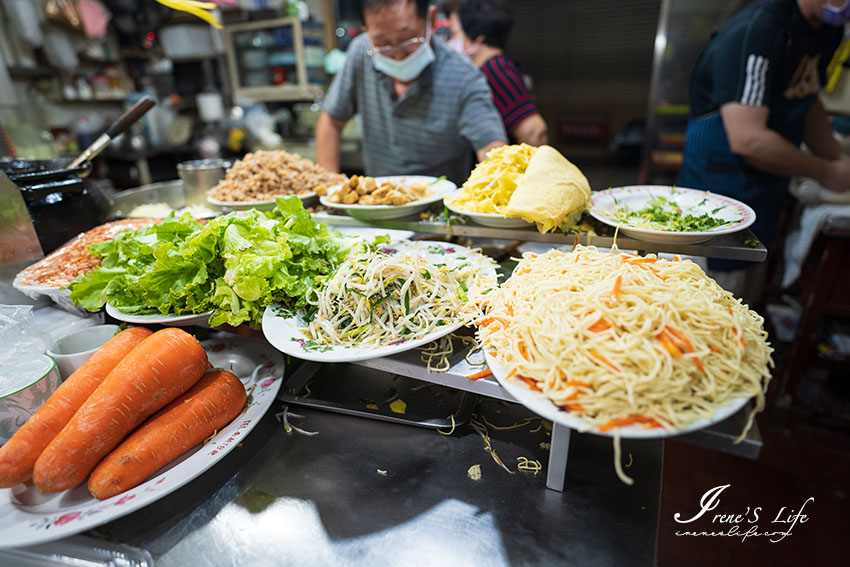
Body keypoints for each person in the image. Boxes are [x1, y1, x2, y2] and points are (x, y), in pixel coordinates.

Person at [678, 0, 850, 297]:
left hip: (766, 193)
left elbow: (806, 100)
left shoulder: (827, 33)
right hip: (718, 195)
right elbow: (748, 139)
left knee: (750, 300)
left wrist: (838, 158)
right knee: (713, 306)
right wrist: (825, 171)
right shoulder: (758, 30)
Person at [316, 0, 507, 184]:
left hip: (440, 210)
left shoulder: (464, 75)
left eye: (408, 40)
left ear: (430, 20)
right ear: (366, 30)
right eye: (383, 45)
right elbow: (331, 122)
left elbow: (491, 148)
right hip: (377, 204)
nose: (398, 56)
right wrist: (331, 186)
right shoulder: (361, 53)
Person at [446, 0, 548, 146]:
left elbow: (535, 131)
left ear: (478, 40)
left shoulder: (495, 69)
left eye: (455, 34)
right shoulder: (489, 69)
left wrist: (527, 168)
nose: (451, 41)